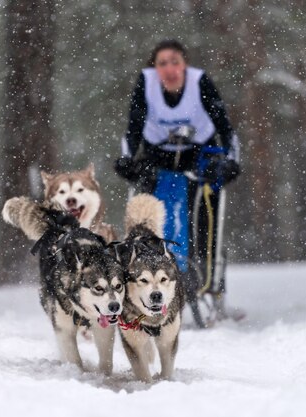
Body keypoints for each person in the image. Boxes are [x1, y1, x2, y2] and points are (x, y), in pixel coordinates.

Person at [115, 39, 240, 326]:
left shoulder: (200, 83)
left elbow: (224, 126)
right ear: (155, 68)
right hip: (158, 159)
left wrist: (231, 162)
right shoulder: (146, 85)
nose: (169, 69)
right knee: (148, 224)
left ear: (184, 65)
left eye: (175, 62)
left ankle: (207, 289)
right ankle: (143, 288)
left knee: (203, 220)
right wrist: (127, 160)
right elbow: (133, 128)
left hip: (198, 156)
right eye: (162, 63)